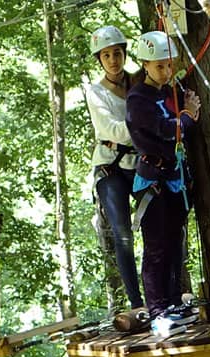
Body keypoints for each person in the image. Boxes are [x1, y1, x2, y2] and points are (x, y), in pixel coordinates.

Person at [125, 31, 201, 320]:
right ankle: (158, 309)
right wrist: (188, 115)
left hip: (175, 179)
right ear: (145, 64)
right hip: (154, 182)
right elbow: (170, 129)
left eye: (170, 65)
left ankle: (172, 302)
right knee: (156, 247)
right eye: (160, 66)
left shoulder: (168, 91)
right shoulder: (138, 99)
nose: (167, 71)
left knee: (174, 246)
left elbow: (185, 106)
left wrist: (188, 102)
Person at [85, 25, 144, 310]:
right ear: (100, 59)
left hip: (139, 162)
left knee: (162, 225)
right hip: (110, 166)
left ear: (124, 53)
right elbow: (110, 130)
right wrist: (147, 127)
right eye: (106, 55)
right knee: (122, 234)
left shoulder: (139, 82)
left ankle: (163, 294)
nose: (113, 59)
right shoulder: (96, 93)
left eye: (117, 53)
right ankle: (136, 302)